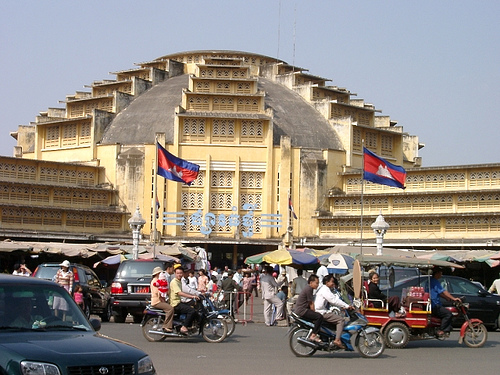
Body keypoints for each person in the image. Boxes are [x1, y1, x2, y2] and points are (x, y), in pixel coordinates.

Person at [315, 275, 354, 348]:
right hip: (321, 312)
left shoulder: (325, 289)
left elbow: (335, 300)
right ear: (327, 282)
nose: (333, 283)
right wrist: (347, 306)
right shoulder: (325, 290)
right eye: (332, 282)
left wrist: (344, 305)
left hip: (322, 310)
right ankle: (337, 339)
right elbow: (333, 300)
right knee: (340, 320)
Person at [429, 267, 461, 336]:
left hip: (432, 304)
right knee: (448, 314)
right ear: (436, 274)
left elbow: (439, 293)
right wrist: (454, 298)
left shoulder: (430, 281)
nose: (441, 275)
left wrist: (446, 298)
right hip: (434, 305)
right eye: (440, 273)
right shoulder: (435, 281)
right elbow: (443, 291)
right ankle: (441, 330)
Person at [170, 266, 199, 334]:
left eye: (180, 273)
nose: (179, 274)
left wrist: (196, 294)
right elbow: (180, 293)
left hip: (179, 301)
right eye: (177, 273)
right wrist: (192, 296)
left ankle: (188, 325)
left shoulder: (180, 281)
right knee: (191, 311)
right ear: (175, 273)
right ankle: (184, 327)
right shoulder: (174, 282)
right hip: (175, 303)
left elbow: (186, 290)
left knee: (193, 306)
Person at [294, 274, 323, 342]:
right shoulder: (309, 289)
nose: (317, 285)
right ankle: (314, 335)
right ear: (311, 282)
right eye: (316, 283)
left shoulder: (309, 288)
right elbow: (311, 303)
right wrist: (314, 312)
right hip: (302, 310)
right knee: (319, 317)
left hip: (302, 309)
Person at [151, 267, 174, 333]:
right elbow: (157, 292)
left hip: (160, 300)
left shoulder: (159, 280)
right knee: (170, 309)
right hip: (157, 301)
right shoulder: (155, 281)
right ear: (157, 274)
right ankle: (166, 326)